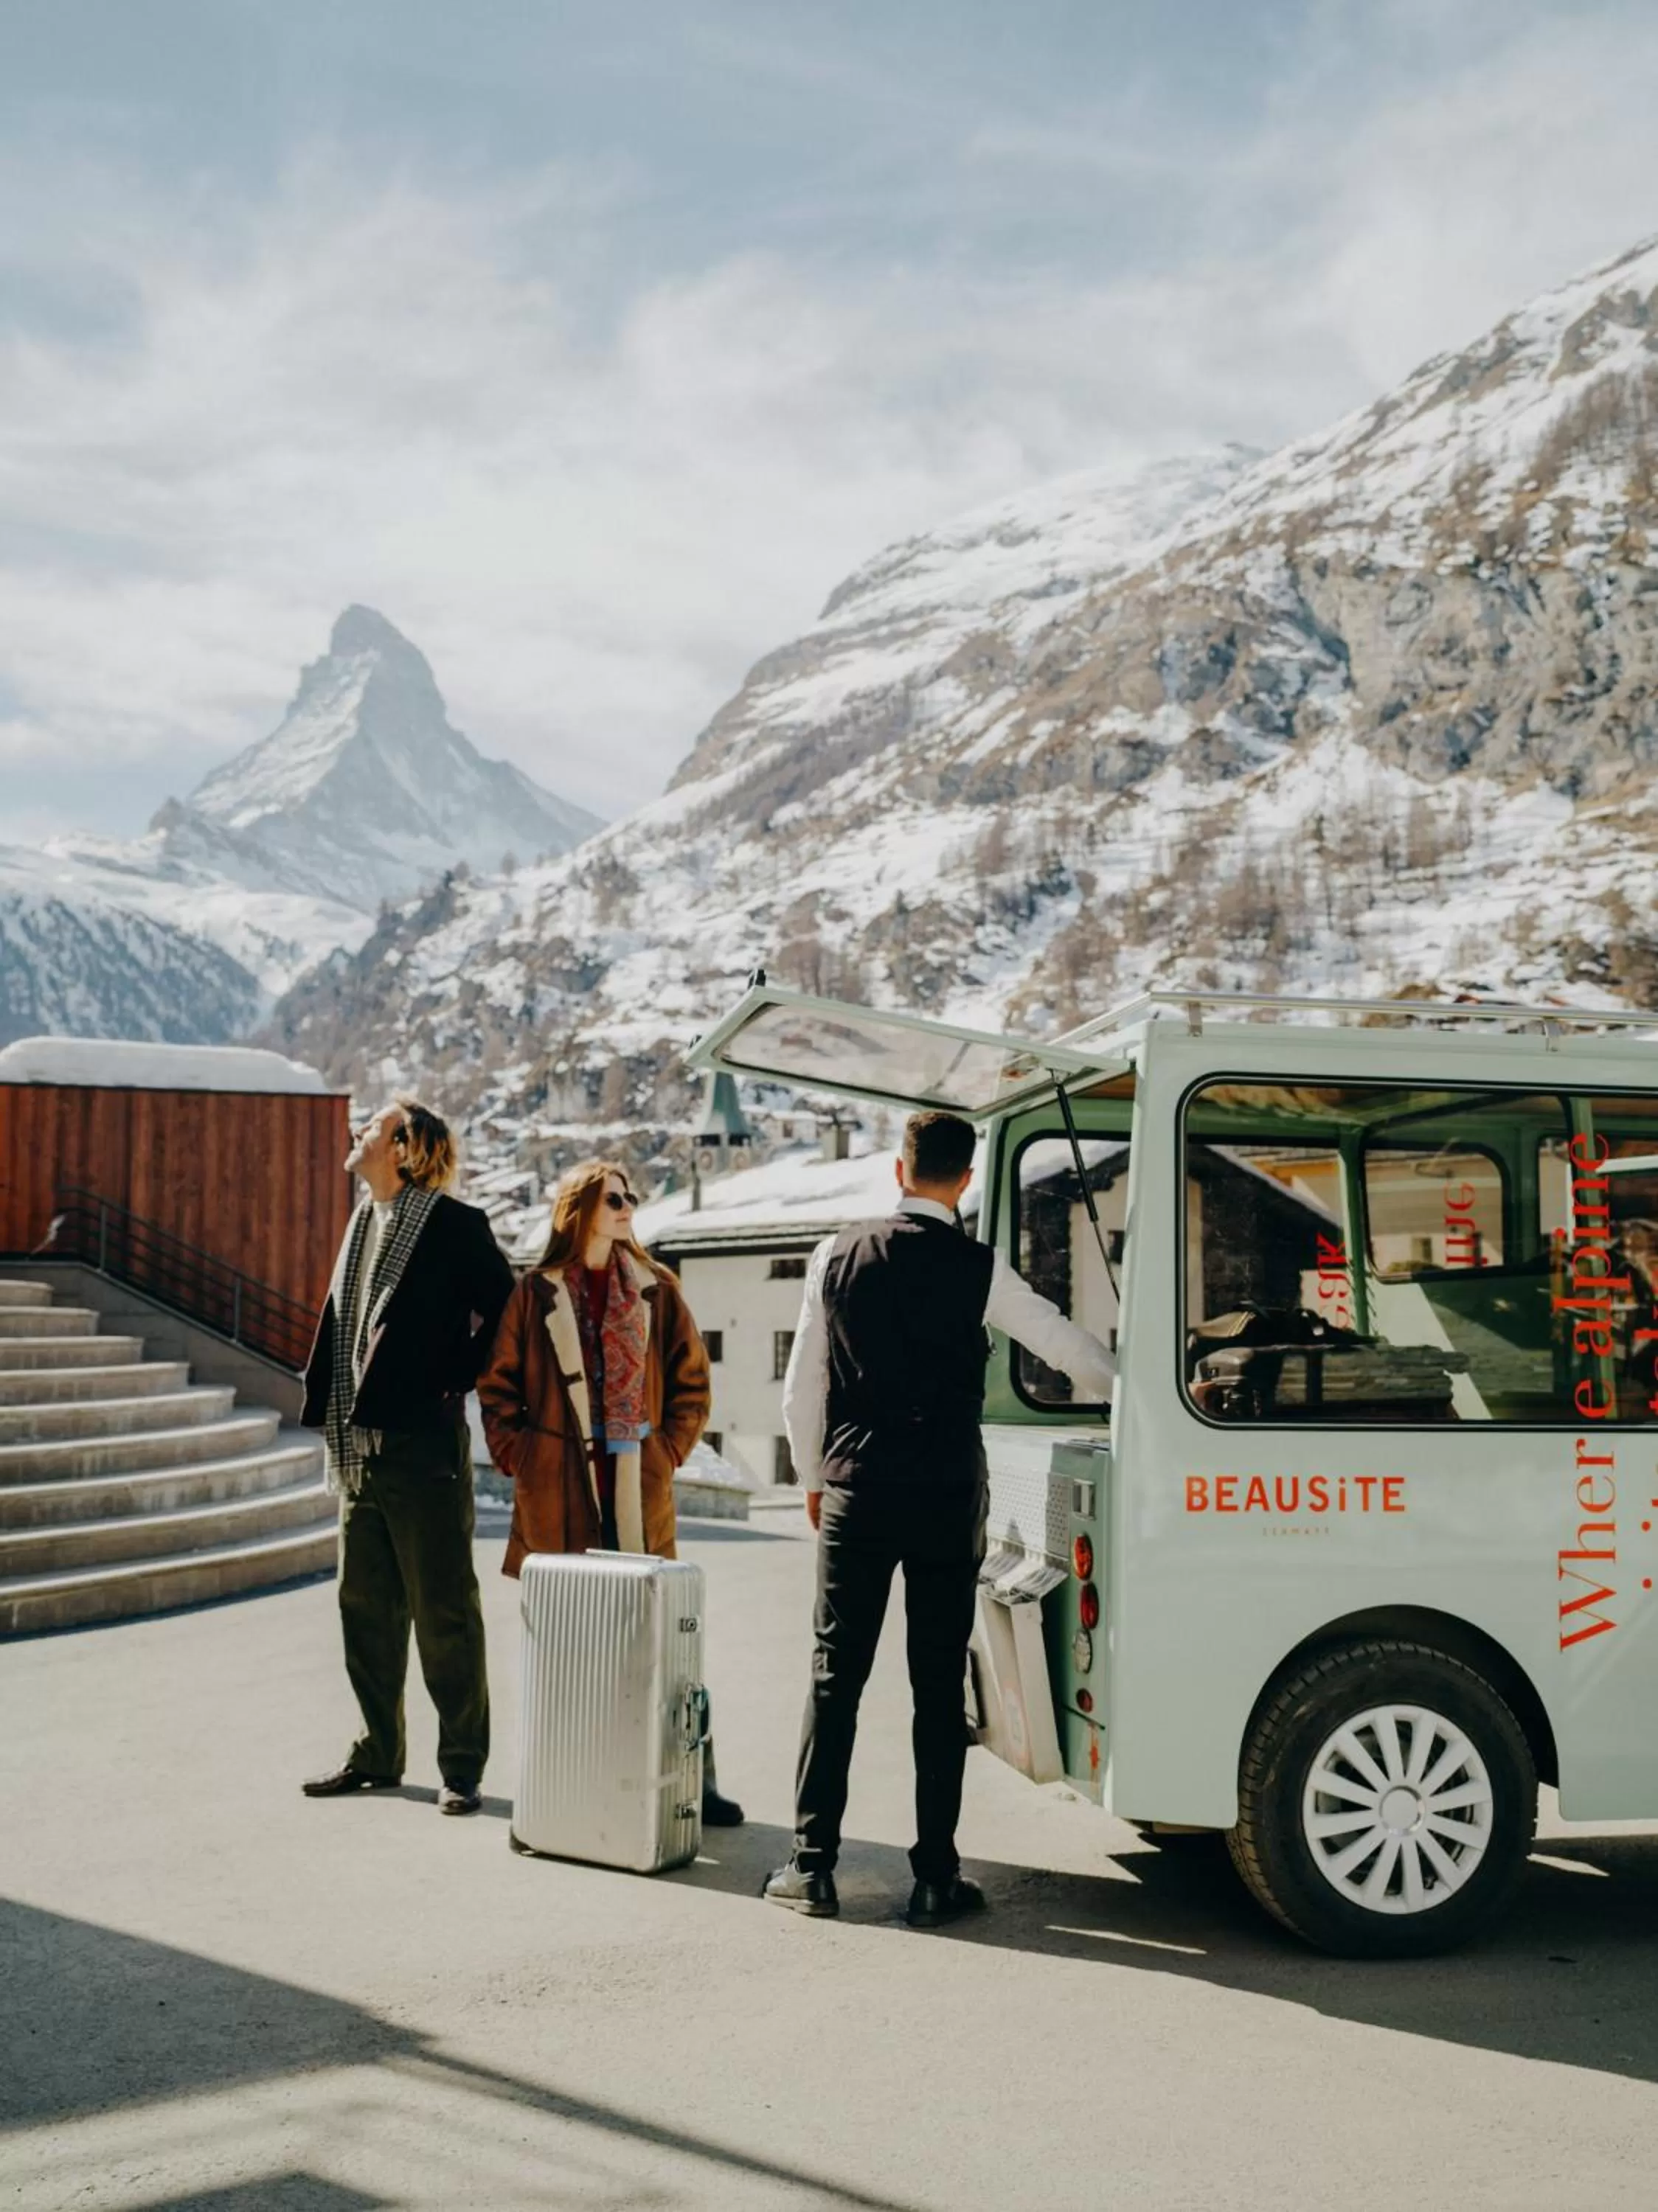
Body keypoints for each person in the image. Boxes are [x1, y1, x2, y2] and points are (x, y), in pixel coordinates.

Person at [764, 1109, 1117, 1925]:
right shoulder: (978, 1266)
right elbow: (1060, 1345)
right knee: (935, 1684)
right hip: (946, 1492)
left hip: (856, 1485)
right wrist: (1144, 1396)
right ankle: (934, 1879)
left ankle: (810, 1867)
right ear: (964, 1183)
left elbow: (801, 1389)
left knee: (834, 1676)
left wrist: (818, 1477)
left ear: (898, 1170)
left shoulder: (835, 1254)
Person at [476, 1158, 745, 1826]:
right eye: (615, 1199)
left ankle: (693, 1778)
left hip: (636, 1486)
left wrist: (664, 1454)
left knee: (662, 1642)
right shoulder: (535, 1294)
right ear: (582, 1210)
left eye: (631, 1199)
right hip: (560, 1491)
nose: (629, 1209)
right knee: (566, 1649)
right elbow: (497, 1386)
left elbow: (693, 1385)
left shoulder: (657, 1290)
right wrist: (524, 1457)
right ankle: (571, 1783)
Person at [300, 1099, 514, 1815]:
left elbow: (504, 1306)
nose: (356, 1133)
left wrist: (454, 1372)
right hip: (359, 1448)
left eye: (371, 1126)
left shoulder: (454, 1226)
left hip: (423, 1446)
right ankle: (378, 1753)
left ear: (404, 1147)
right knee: (364, 1606)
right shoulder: (364, 1221)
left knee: (444, 1609)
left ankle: (460, 1767)